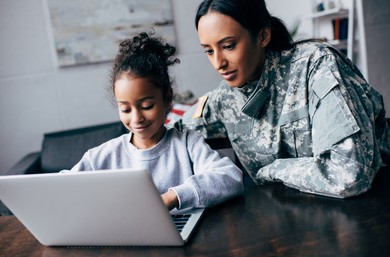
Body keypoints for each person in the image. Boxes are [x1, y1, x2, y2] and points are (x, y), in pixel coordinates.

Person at [178, 0, 390, 198]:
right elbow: (175, 129)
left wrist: (273, 170)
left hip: (368, 214)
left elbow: (349, 173)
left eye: (228, 46)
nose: (218, 63)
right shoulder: (224, 99)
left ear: (263, 36)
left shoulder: (317, 66)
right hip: (288, 222)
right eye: (208, 51)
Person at [65, 32, 243, 210]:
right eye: (125, 109)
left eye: (147, 106)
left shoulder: (188, 144)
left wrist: (172, 197)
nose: (136, 118)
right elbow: (61, 185)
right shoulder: (103, 156)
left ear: (167, 99)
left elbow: (230, 177)